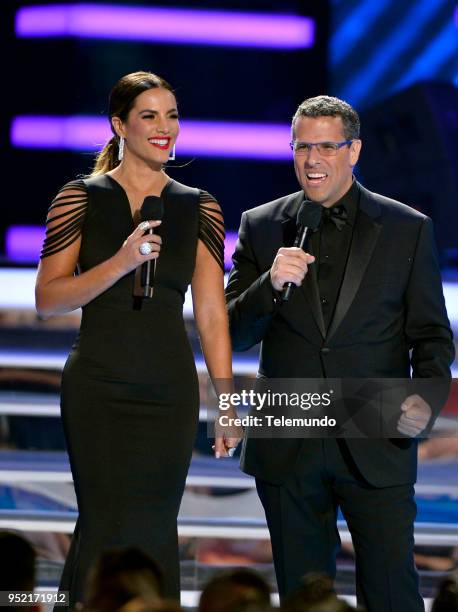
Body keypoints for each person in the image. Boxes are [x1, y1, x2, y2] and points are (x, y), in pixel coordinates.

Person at [225, 95, 454, 611]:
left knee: (393, 592)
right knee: (304, 598)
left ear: (354, 151)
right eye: (302, 146)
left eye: (326, 146)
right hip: (286, 428)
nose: (312, 159)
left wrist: (423, 397)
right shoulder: (261, 225)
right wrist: (269, 283)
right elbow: (233, 332)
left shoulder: (406, 228)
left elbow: (433, 337)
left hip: (376, 426)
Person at [35, 71, 241, 606]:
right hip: (98, 385)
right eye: (149, 116)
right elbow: (48, 299)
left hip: (168, 391)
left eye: (172, 115)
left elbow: (212, 313)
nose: (164, 127)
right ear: (119, 125)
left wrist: (227, 401)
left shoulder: (199, 207)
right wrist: (121, 262)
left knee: (154, 527)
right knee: (101, 524)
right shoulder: (79, 197)